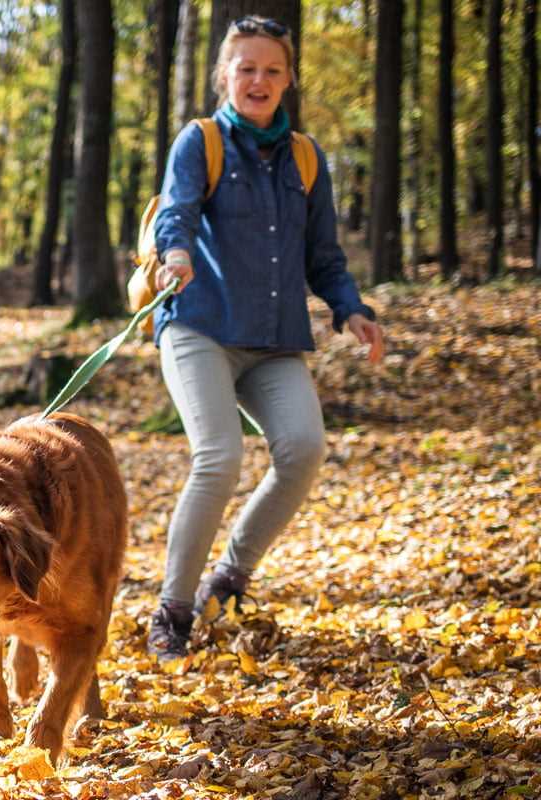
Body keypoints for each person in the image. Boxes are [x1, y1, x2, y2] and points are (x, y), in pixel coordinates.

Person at [147, 15, 385, 660]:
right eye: (246, 68)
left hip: (275, 340)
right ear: (225, 75)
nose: (258, 79)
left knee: (304, 449)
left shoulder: (306, 158)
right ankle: (171, 611)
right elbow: (177, 211)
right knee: (218, 457)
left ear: (288, 80)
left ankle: (228, 579)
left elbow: (323, 254)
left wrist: (350, 310)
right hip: (199, 326)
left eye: (271, 69)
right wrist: (175, 254)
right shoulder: (200, 142)